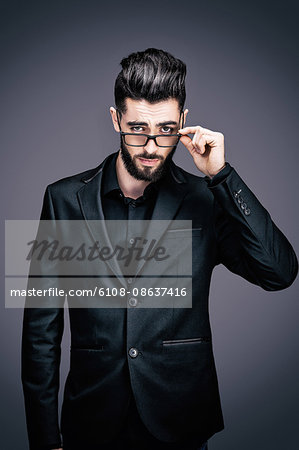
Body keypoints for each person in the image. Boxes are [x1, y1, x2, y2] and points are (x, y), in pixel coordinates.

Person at [21, 48, 298, 450]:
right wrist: (45, 439)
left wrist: (222, 175)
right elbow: (40, 331)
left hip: (180, 421)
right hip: (91, 421)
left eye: (166, 130)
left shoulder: (205, 199)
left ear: (183, 123)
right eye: (137, 129)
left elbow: (280, 273)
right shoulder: (63, 199)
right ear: (115, 119)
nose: (151, 146)